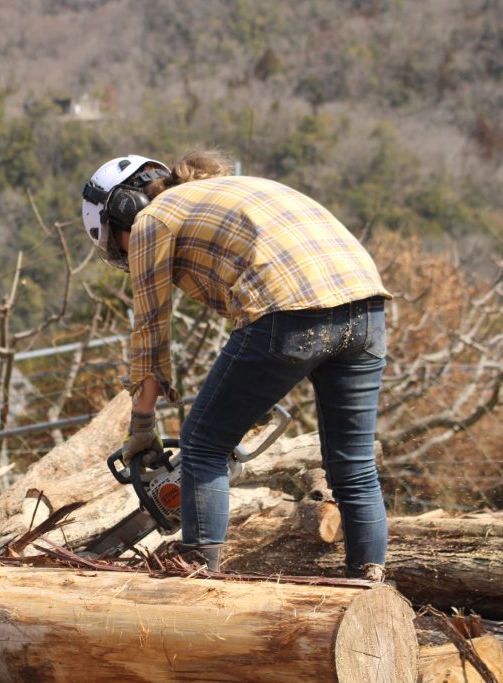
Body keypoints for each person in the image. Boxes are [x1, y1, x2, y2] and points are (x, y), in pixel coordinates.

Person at [81, 150, 392, 580]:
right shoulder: (228, 194)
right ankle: (367, 579)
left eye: (118, 241)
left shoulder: (152, 219)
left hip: (290, 309)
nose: (125, 252)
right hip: (366, 306)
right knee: (352, 464)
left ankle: (199, 573)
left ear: (124, 209)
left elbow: (150, 334)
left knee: (203, 442)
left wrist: (141, 426)